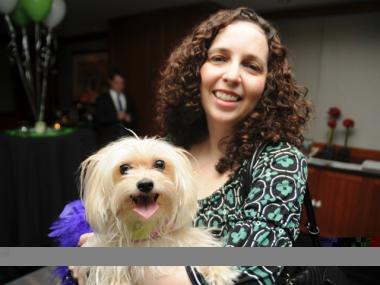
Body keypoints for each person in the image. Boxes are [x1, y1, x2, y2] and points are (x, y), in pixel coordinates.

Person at [51, 7, 311, 285]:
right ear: (197, 69)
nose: (232, 75)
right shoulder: (171, 149)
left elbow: (252, 275)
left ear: (268, 84)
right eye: (219, 58)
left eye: (252, 65)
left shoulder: (279, 161)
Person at [94, 69, 136, 147]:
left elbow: (135, 115)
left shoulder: (128, 98)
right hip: (108, 140)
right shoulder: (102, 98)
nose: (120, 86)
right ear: (110, 82)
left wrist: (130, 117)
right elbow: (98, 118)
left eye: (122, 83)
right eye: (117, 83)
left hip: (126, 140)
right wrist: (115, 116)